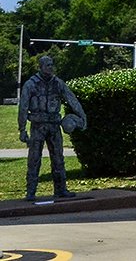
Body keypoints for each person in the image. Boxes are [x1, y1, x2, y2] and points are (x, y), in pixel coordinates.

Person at [19, 55, 86, 202]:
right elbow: (23, 107)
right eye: (47, 65)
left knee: (58, 158)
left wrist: (82, 117)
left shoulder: (58, 83)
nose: (50, 67)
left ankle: (61, 189)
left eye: (51, 65)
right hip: (38, 126)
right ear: (40, 67)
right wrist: (22, 129)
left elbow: (71, 99)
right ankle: (31, 191)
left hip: (54, 125)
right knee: (34, 158)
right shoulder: (31, 84)